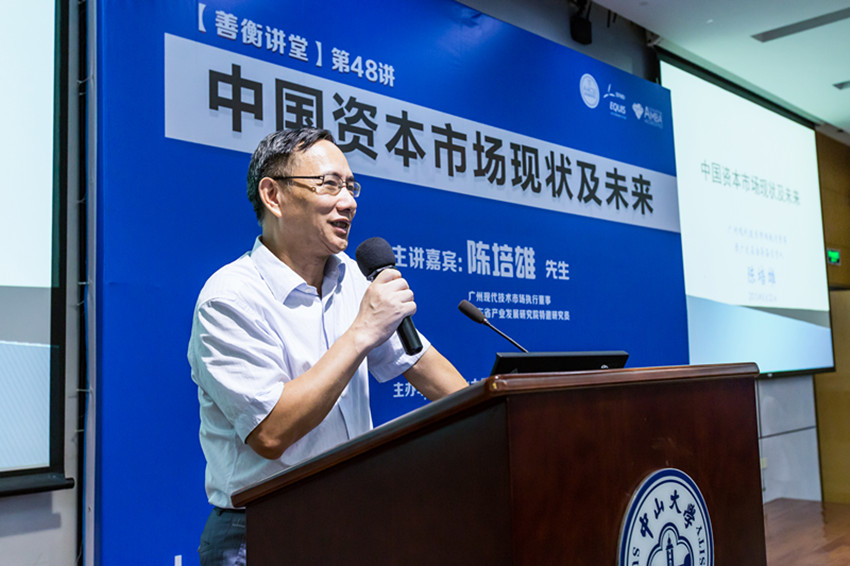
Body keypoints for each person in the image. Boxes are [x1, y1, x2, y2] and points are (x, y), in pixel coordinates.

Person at [188, 127, 467, 565]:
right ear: (273, 195)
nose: (349, 201)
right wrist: (360, 332)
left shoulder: (352, 276)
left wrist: (493, 412)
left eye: (351, 186)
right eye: (330, 184)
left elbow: (420, 364)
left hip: (353, 516)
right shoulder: (229, 298)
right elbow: (271, 432)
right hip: (262, 530)